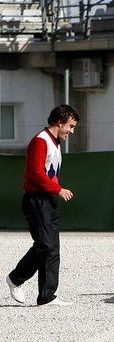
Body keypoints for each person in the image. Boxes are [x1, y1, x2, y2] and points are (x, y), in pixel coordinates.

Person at [6, 105, 79, 306]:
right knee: (45, 245)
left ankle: (47, 296)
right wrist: (58, 190)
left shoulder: (55, 143)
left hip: (48, 200)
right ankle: (15, 279)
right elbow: (36, 174)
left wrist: (55, 192)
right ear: (59, 122)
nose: (71, 131)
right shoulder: (41, 141)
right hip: (36, 200)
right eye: (70, 126)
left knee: (52, 248)